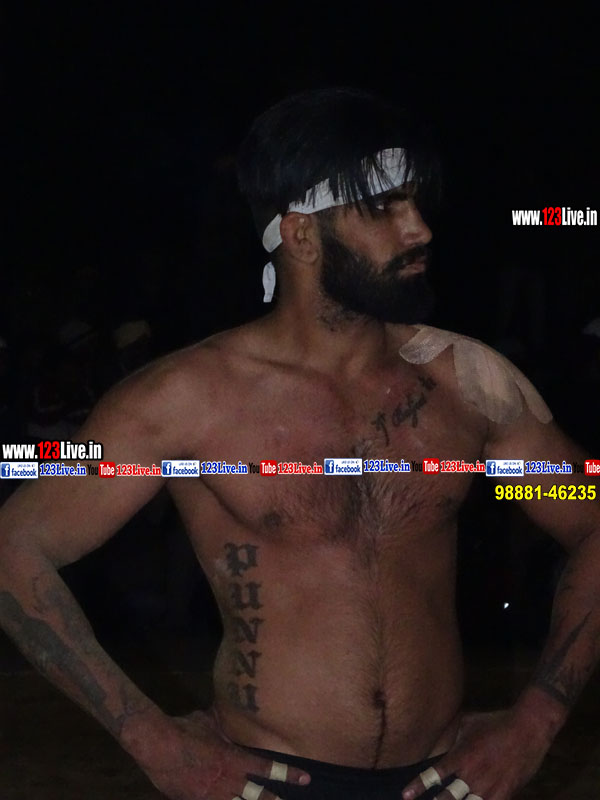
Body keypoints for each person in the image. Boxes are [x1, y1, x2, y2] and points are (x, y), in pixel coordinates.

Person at [1, 87, 599, 800]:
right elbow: (16, 548)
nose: (419, 230)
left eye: (416, 203)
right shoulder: (185, 400)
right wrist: (150, 738)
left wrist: (537, 719)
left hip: (445, 782)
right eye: (382, 207)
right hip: (268, 782)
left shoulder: (470, 384)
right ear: (302, 235)